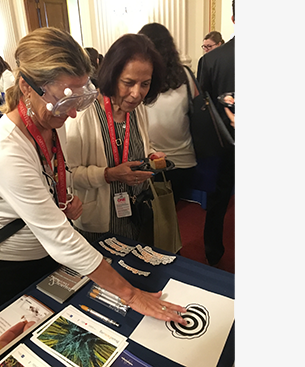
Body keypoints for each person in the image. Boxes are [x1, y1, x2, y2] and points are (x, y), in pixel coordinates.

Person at [0, 27, 187, 326]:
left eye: (79, 100)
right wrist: (132, 295)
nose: (71, 115)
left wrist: (63, 199)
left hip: (46, 256)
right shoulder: (5, 150)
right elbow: (60, 237)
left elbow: (60, 173)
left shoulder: (51, 123)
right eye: (63, 102)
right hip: (4, 264)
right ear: (26, 86)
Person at [65, 33, 167, 244]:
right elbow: (69, 176)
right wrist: (109, 174)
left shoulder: (138, 111)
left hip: (137, 211)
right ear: (111, 75)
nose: (137, 93)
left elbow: (140, 145)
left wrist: (151, 155)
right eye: (128, 82)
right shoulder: (83, 114)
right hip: (100, 222)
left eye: (145, 84)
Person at [138, 23, 199, 203]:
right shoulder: (186, 75)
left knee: (153, 212)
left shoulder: (140, 80)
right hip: (185, 160)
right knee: (172, 208)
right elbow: (197, 106)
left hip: (150, 160)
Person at [197, 0, 235, 266]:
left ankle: (213, 254)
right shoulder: (209, 59)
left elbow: (203, 109)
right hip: (224, 146)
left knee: (218, 203)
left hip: (224, 145)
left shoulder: (211, 60)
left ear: (232, 17)